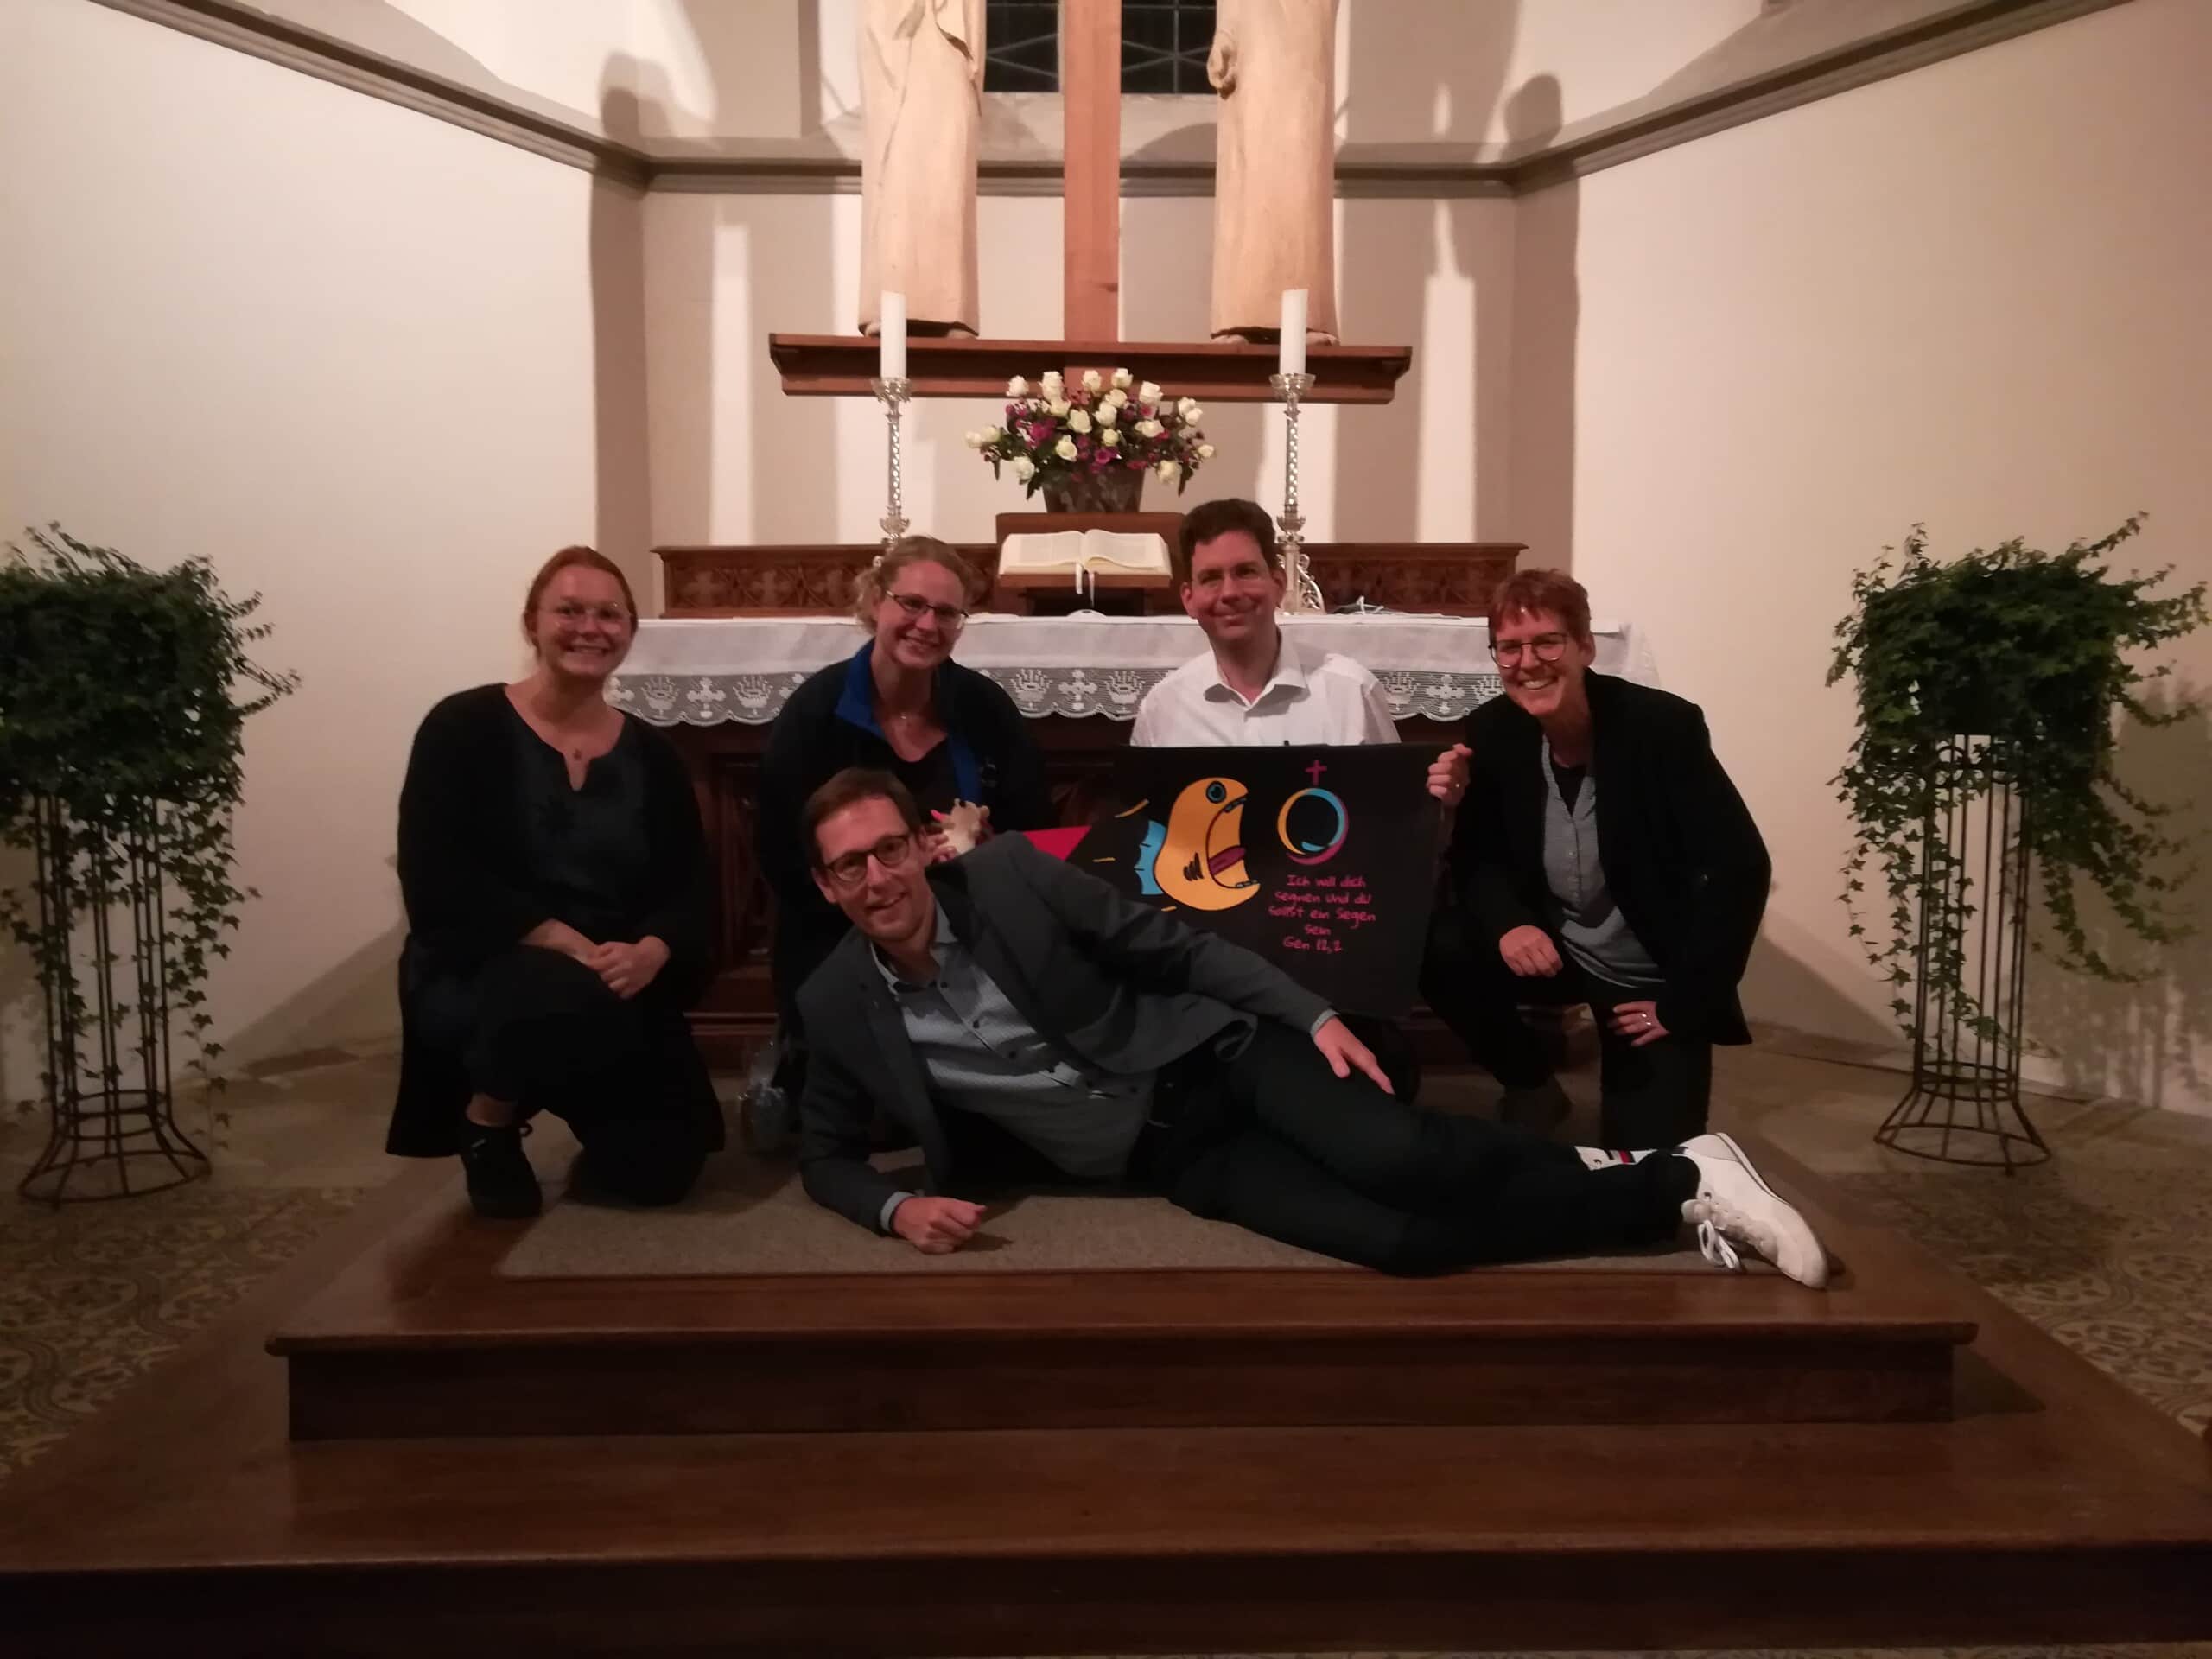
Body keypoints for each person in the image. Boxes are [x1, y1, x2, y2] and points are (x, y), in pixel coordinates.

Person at [791, 766, 1827, 1287]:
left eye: (890, 850)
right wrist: (893, 1210)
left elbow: (1175, 948)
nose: (878, 878)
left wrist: (1311, 1012)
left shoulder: (1009, 876)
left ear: (922, 847)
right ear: (825, 885)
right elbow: (824, 1153)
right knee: (1399, 1244)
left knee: (1400, 1156)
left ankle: (1674, 1179)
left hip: (1218, 1060)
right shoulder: (834, 1001)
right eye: (850, 866)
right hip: (1170, 1160)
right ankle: (1665, 1178)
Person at [387, 546, 721, 1218]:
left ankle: (579, 1094)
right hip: (489, 970)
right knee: (549, 987)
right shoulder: (463, 728)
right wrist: (557, 938)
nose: (589, 628)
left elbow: (690, 884)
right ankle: (489, 1119)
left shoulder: (653, 756)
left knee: (662, 1170)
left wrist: (653, 948)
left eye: (609, 615)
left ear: (629, 631)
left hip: (610, 980)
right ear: (532, 623)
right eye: (569, 611)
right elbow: (435, 871)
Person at [1130, 497, 1471, 1095]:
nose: (1229, 592)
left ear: (1277, 581)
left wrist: (1440, 808)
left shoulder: (1347, 691)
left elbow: (1400, 844)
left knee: (1358, 1095)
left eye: (1246, 571)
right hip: (1216, 959)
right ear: (1188, 596)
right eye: (1211, 578)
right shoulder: (1164, 708)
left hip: (1328, 948)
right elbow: (1151, 849)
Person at [1435, 569, 1772, 1150]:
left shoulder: (1661, 728)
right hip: (1556, 948)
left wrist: (1684, 1003)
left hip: (1644, 972)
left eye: (1548, 642)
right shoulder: (1495, 728)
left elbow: (1741, 867)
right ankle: (1531, 1084)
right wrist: (1510, 923)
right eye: (1509, 648)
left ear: (1585, 647)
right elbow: (1477, 856)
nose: (1528, 663)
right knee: (1439, 947)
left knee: (1649, 1156)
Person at [758, 536, 1052, 1042]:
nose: (927, 625)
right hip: (841, 938)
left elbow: (1036, 832)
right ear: (876, 601)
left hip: (972, 933)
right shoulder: (816, 713)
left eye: (946, 613)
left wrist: (990, 849)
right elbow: (781, 853)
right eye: (911, 604)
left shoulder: (984, 708)